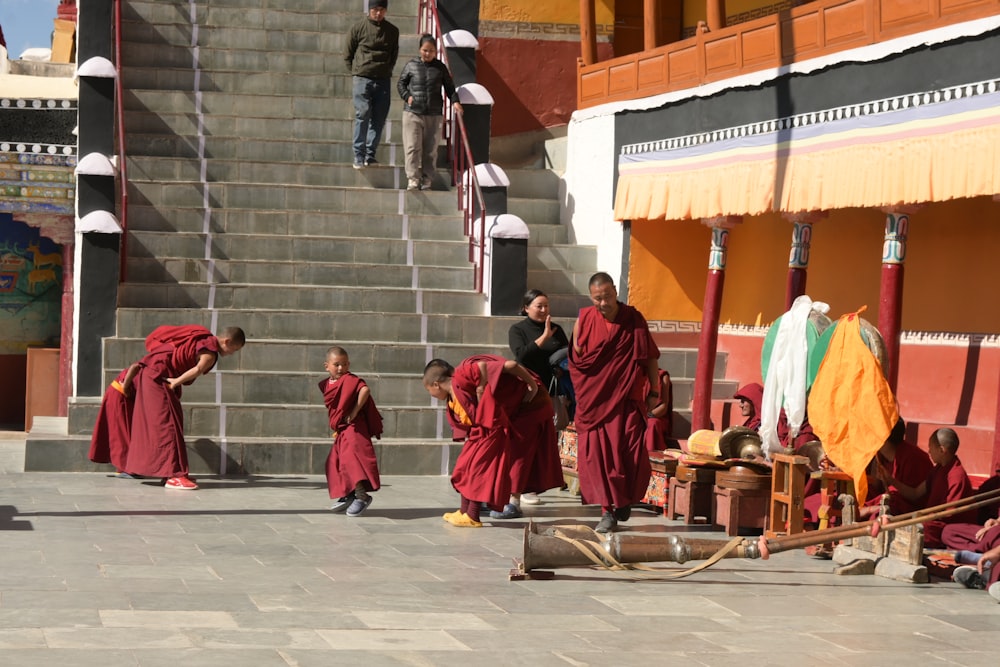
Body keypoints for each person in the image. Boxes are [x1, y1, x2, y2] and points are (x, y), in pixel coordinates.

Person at [569, 272, 660, 534]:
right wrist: (587, 394)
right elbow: (579, 362)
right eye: (598, 298)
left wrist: (654, 389)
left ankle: (623, 500)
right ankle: (607, 510)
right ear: (591, 297)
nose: (603, 303)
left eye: (607, 296)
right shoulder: (584, 319)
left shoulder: (633, 319)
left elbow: (649, 357)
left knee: (629, 454)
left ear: (615, 293)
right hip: (596, 402)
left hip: (628, 400)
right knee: (600, 457)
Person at [423, 355, 544, 527]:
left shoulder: (461, 377)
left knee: (477, 472)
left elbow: (485, 365)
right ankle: (463, 511)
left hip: (491, 429)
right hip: (479, 433)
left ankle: (473, 516)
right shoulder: (452, 395)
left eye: (429, 390)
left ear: (436, 384)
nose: (432, 395)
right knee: (463, 469)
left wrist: (482, 387)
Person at [124, 326, 245, 490]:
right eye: (233, 349)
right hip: (159, 376)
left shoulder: (203, 338)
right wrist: (176, 382)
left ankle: (171, 471)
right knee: (167, 425)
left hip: (155, 371)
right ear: (227, 341)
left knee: (173, 420)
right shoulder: (209, 352)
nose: (232, 353)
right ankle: (174, 476)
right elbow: (198, 369)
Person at [505, 288, 571, 510]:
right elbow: (521, 355)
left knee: (545, 439)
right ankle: (517, 487)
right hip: (526, 391)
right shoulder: (518, 329)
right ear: (526, 308)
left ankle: (531, 486)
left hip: (550, 391)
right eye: (539, 306)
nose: (544, 310)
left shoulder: (557, 329)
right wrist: (543, 337)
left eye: (546, 306)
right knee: (525, 440)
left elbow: (567, 355)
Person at [877, 427, 974, 546]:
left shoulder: (957, 476)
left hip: (946, 526)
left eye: (931, 447)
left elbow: (947, 514)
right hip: (931, 520)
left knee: (920, 530)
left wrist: (920, 518)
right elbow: (915, 494)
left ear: (941, 450)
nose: (929, 451)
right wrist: (891, 480)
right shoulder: (937, 470)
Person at [319, 346, 383, 516]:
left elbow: (365, 390)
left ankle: (362, 496)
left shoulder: (350, 379)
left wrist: (354, 412)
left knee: (350, 461)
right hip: (342, 429)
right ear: (327, 366)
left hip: (354, 428)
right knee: (334, 462)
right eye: (337, 364)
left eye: (345, 364)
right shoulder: (328, 384)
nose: (341, 368)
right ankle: (349, 494)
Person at [396, 34, 462, 191]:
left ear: (436, 51)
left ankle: (427, 179)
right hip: (412, 113)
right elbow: (401, 84)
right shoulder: (411, 65)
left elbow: (450, 87)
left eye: (431, 51)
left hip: (434, 114)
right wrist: (407, 97)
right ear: (420, 49)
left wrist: (455, 102)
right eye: (425, 50)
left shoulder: (440, 67)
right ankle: (413, 179)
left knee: (431, 149)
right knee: (412, 147)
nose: (428, 53)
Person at [344, 0, 399, 170]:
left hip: (382, 79)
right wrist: (357, 71)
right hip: (362, 78)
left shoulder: (392, 31)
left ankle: (370, 154)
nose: (378, 13)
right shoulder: (358, 28)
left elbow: (393, 54)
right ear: (370, 10)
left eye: (382, 10)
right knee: (363, 113)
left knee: (379, 118)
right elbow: (348, 53)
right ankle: (358, 155)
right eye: (375, 9)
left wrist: (385, 70)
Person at [858, 418, 933, 518]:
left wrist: (870, 509)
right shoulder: (879, 455)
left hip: (907, 507)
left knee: (885, 511)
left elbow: (912, 498)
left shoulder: (913, 457)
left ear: (884, 437)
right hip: (885, 499)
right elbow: (876, 485)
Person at [88, 362, 141, 477]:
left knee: (128, 430)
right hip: (120, 394)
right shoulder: (158, 359)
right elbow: (135, 366)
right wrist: (126, 388)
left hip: (128, 396)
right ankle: (126, 468)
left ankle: (124, 467)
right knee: (122, 431)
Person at [644, 368, 675, 452]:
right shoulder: (636, 374)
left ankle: (651, 455)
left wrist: (648, 415)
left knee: (652, 423)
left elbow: (663, 406)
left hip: (655, 416)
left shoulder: (662, 376)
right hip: (638, 414)